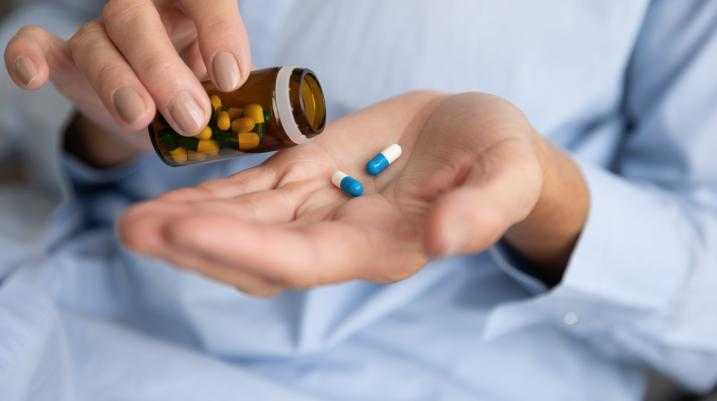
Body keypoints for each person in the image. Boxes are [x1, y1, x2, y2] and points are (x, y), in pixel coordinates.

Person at [2, 1, 717, 400]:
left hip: (432, 373)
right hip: (88, 316)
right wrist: (111, 120)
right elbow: (36, 61)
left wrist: (543, 189)